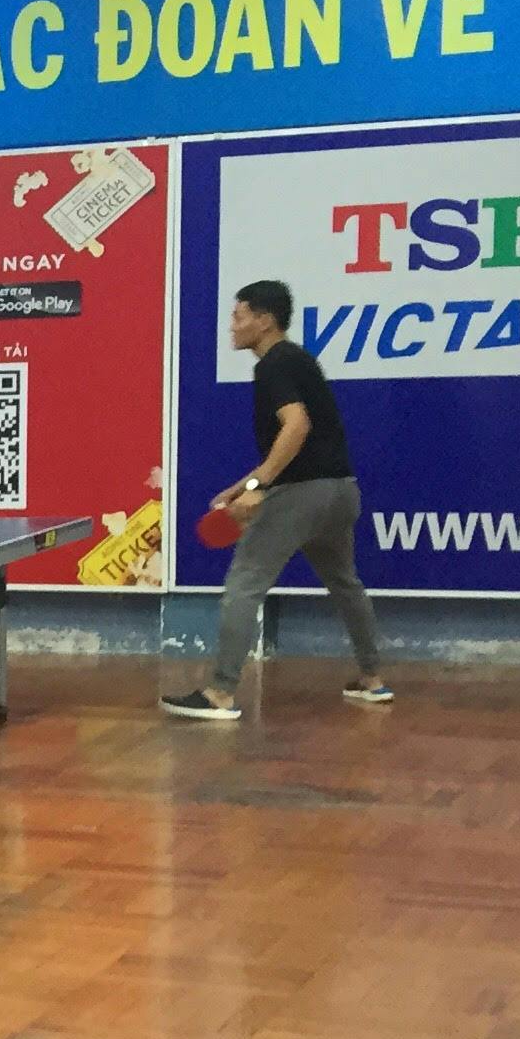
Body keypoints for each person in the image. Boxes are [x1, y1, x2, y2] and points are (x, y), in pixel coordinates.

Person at [165, 278, 392, 721]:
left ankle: (220, 693)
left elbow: (297, 426)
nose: (232, 326)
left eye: (239, 316)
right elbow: (301, 444)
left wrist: (259, 489)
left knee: (244, 584)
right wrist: (243, 485)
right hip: (340, 491)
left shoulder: (274, 365)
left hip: (301, 496)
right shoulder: (299, 360)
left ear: (265, 321)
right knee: (345, 584)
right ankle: (373, 680)